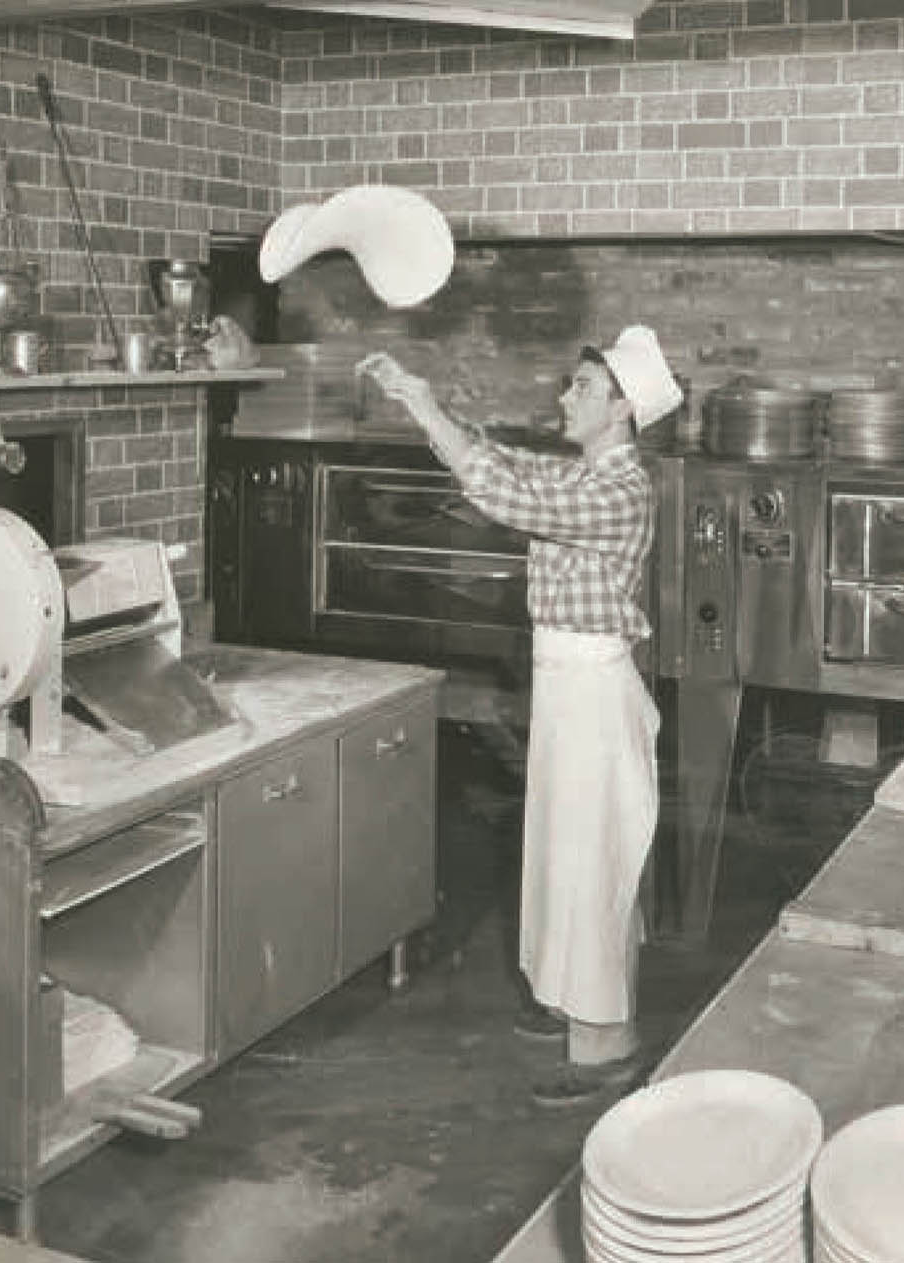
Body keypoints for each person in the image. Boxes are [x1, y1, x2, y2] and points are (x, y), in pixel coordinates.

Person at [357, 328, 683, 1108]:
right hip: (569, 687)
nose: (562, 397)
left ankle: (608, 1047)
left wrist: (427, 405)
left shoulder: (621, 488)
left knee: (592, 863)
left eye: (580, 388)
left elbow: (502, 495)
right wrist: (420, 402)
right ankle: (577, 1004)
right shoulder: (584, 472)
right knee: (567, 857)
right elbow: (495, 463)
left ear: (621, 411)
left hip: (597, 695)